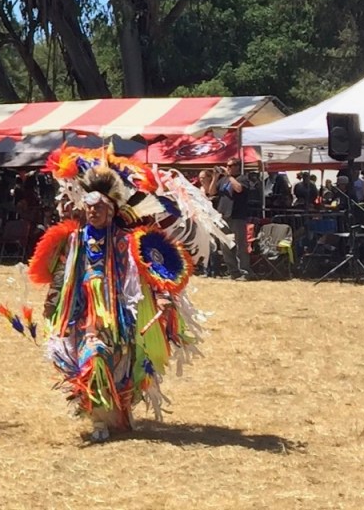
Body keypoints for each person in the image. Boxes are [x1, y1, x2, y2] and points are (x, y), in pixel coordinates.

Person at [26, 147, 208, 442]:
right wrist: (53, 302)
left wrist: (163, 295)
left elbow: (149, 271)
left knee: (123, 361)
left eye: (99, 206)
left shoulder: (128, 241)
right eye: (89, 206)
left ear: (112, 210)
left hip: (122, 310)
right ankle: (98, 417)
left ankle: (118, 407)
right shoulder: (75, 239)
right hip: (83, 308)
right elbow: (63, 273)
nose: (92, 211)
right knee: (92, 355)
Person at [211, 158, 251, 280]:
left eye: (230, 165)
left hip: (237, 216)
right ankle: (233, 271)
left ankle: (244, 271)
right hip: (223, 216)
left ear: (237, 166)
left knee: (240, 245)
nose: (227, 168)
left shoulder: (242, 178)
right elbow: (211, 191)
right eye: (226, 165)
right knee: (225, 245)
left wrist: (229, 177)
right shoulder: (223, 180)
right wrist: (215, 177)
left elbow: (239, 189)